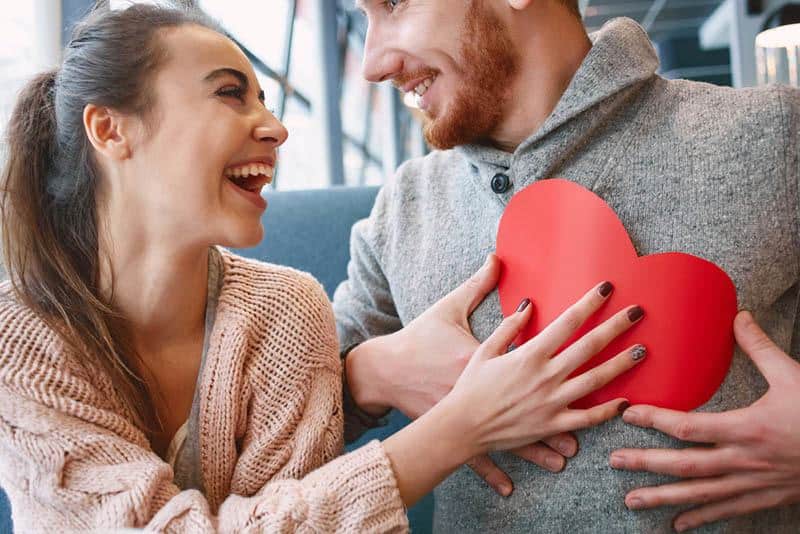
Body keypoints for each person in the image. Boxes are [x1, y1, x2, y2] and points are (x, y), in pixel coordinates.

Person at [0, 3, 649, 532]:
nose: (276, 128)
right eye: (231, 94)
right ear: (111, 130)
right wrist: (458, 426)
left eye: (265, 97)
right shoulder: (17, 340)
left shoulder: (287, 310)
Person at [335, 0, 800, 532]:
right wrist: (371, 372)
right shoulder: (401, 209)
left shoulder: (775, 139)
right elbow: (270, 433)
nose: (372, 63)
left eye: (393, 3)